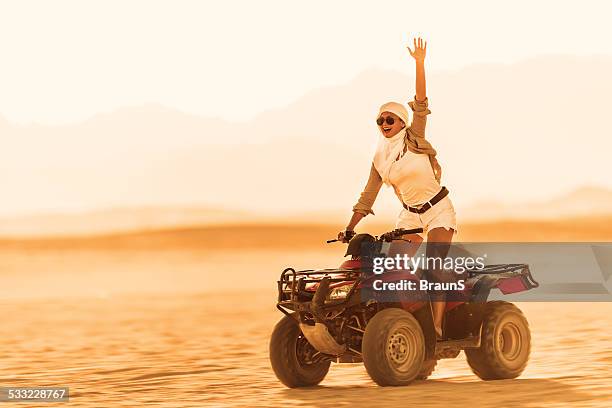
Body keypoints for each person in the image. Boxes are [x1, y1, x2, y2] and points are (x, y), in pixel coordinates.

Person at [337, 37, 457, 338]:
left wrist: (419, 63)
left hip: (437, 210)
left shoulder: (413, 138)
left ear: (402, 122)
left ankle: (438, 327)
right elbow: (368, 196)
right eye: (380, 119)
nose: (384, 122)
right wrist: (349, 228)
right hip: (409, 216)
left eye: (390, 118)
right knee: (392, 270)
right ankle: (405, 321)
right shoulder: (380, 156)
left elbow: (420, 103)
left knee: (432, 266)